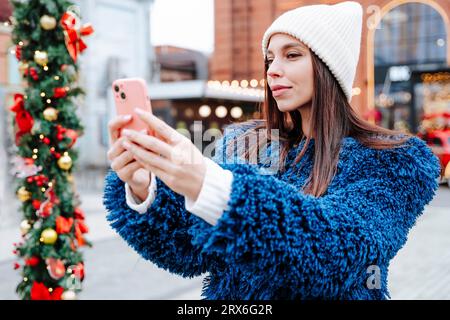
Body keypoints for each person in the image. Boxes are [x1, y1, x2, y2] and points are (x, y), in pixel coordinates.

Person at [103, 1, 441, 299]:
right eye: (269, 58)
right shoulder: (243, 144)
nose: (272, 70)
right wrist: (143, 186)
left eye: (292, 55)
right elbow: (188, 251)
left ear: (329, 68)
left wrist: (209, 184)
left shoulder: (395, 159)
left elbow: (340, 251)